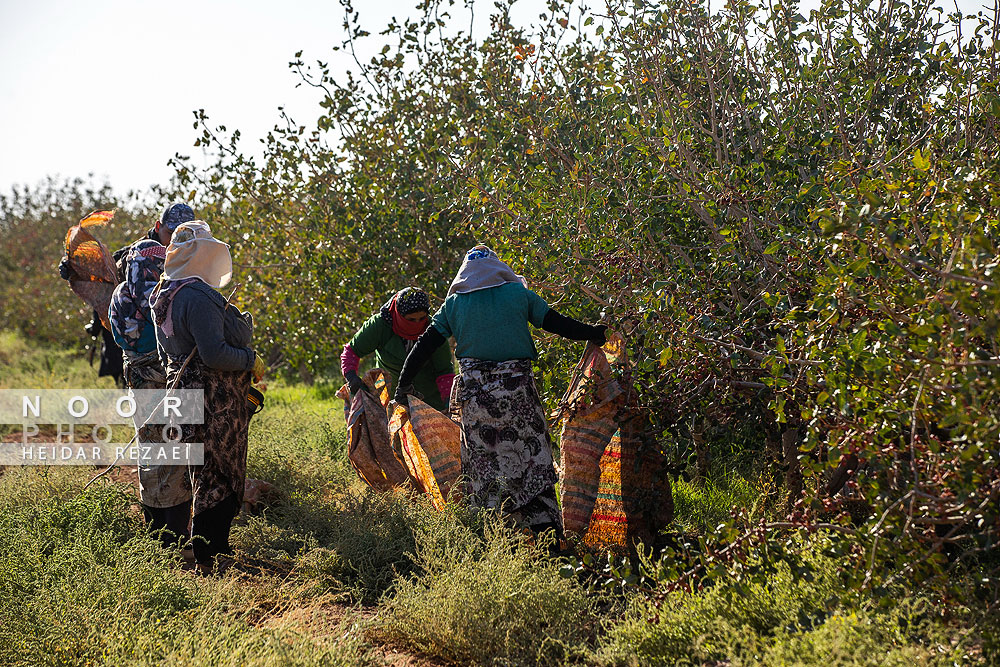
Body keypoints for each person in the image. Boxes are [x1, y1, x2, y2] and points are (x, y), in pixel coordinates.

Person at [394, 245, 608, 535]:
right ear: (498, 268)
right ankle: (546, 533)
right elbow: (557, 324)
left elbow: (424, 346)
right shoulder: (518, 294)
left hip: (477, 403)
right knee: (531, 458)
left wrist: (403, 385)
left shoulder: (454, 304)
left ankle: (496, 533)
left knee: (485, 465)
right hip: (518, 397)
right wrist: (594, 333)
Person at [150, 220, 265, 573]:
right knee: (220, 474)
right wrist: (250, 360)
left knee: (200, 473)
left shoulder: (163, 293)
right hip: (214, 401)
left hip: (181, 393)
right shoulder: (197, 297)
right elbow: (214, 354)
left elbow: (167, 355)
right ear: (201, 256)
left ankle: (207, 552)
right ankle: (210, 554)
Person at [108, 239, 191, 546]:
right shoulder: (162, 294)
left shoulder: (119, 295)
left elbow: (118, 338)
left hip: (136, 381)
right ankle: (177, 536)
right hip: (165, 379)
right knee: (175, 454)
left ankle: (156, 535)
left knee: (149, 452)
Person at [58, 202, 197, 385]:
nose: (175, 241)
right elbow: (103, 271)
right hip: (139, 341)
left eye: (182, 235)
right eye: (171, 233)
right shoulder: (137, 252)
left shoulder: (190, 251)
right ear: (158, 226)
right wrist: (72, 267)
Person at [341, 287, 454, 411]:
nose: (417, 323)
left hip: (429, 400)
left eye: (421, 319)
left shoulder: (434, 329)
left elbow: (444, 371)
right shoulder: (380, 326)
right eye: (411, 320)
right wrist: (351, 377)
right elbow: (351, 351)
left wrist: (449, 402)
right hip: (389, 398)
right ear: (399, 314)